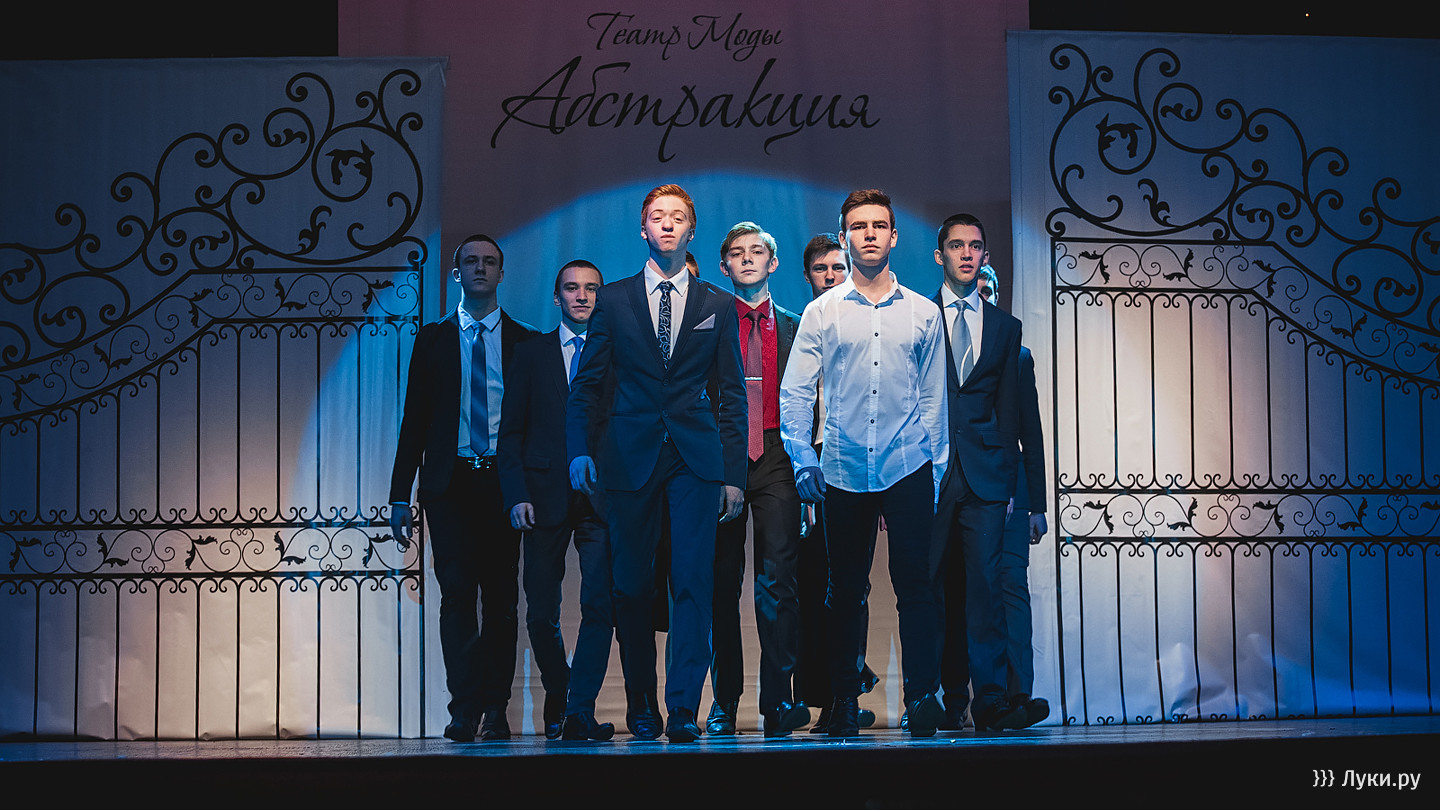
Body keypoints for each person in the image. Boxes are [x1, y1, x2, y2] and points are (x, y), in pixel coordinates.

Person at [567, 184, 747, 743]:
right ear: (642, 229)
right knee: (630, 586)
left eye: (677, 217)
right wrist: (579, 449)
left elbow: (732, 395)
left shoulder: (717, 304)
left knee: (692, 581)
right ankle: (642, 703)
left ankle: (684, 708)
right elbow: (587, 385)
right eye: (657, 217)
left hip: (696, 459)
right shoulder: (614, 299)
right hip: (628, 455)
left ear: (692, 230)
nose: (667, 225)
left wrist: (734, 475)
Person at [780, 189, 950, 738]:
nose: (869, 234)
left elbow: (934, 400)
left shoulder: (924, 313)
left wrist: (935, 471)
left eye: (879, 225)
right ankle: (842, 702)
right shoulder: (822, 311)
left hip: (907, 463)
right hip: (844, 465)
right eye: (858, 226)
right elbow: (796, 392)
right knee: (845, 591)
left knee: (916, 586)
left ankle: (922, 698)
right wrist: (804, 460)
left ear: (894, 236)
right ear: (844, 236)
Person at [389, 234, 540, 742]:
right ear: (457, 273)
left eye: (489, 261)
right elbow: (414, 420)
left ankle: (495, 709)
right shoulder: (433, 339)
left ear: (501, 273)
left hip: (502, 483)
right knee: (456, 596)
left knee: (500, 600)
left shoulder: (525, 341)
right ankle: (464, 709)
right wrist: (399, 494)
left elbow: (535, 422)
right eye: (471, 261)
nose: (480, 268)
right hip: (448, 485)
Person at [930, 213, 1044, 730]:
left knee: (986, 588)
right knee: (933, 588)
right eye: (956, 245)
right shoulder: (919, 315)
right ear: (940, 255)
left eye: (975, 246)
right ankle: (941, 696)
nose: (966, 253)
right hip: (931, 470)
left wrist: (1012, 483)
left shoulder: (1004, 327)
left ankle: (992, 698)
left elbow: (1011, 414)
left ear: (986, 255)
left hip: (987, 473)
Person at [498, 260, 619, 741]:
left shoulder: (618, 353)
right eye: (572, 288)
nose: (582, 296)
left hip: (602, 496)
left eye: (591, 288)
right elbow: (511, 432)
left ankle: (579, 709)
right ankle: (562, 694)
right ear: (557, 297)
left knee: (600, 605)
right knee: (540, 612)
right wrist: (516, 494)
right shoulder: (531, 353)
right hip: (542, 496)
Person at [707, 221, 808, 738]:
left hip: (777, 456)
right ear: (724, 265)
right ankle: (725, 702)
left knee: (778, 582)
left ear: (773, 262)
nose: (747, 259)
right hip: (722, 459)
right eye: (737, 253)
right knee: (721, 584)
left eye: (757, 251)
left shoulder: (796, 326)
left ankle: (777, 701)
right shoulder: (708, 322)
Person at [793, 233, 878, 734]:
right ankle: (828, 692)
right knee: (813, 584)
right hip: (810, 465)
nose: (829, 275)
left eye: (837, 267)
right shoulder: (799, 326)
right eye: (820, 269)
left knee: (850, 583)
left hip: (855, 462)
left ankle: (844, 691)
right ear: (807, 275)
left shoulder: (868, 325)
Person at [974, 265, 1050, 726]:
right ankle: (973, 698)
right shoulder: (946, 353)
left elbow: (1031, 434)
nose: (982, 298)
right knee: (968, 590)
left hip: (1012, 491)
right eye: (976, 292)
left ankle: (1020, 694)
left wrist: (1037, 505)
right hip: (966, 486)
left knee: (1011, 587)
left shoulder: (1019, 357)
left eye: (990, 292)